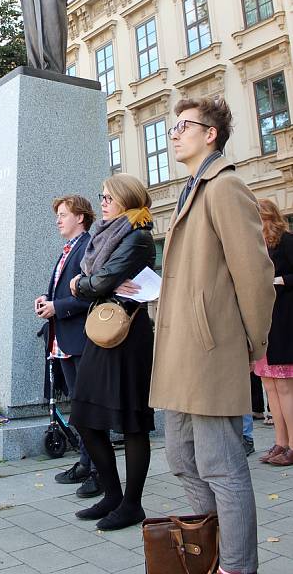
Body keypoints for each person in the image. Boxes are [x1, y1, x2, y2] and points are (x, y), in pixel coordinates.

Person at [148, 97, 275, 574]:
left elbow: (255, 275)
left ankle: (237, 566)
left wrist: (250, 345)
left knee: (222, 465)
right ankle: (210, 550)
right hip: (181, 350)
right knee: (181, 457)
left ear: (211, 134)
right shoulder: (191, 188)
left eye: (184, 126)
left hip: (209, 350)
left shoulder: (225, 187)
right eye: (173, 125)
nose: (174, 133)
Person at [67, 174, 156, 531]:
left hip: (128, 334)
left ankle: (132, 504)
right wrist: (88, 283)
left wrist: (81, 284)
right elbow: (99, 279)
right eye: (100, 195)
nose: (101, 201)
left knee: (133, 423)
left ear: (125, 199)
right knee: (86, 418)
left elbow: (99, 282)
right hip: (102, 329)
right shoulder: (105, 235)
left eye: (108, 196)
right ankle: (112, 494)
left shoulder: (137, 237)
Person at [34, 195, 100, 497]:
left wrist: (57, 307)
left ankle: (98, 469)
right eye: (57, 214)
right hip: (63, 338)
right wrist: (47, 303)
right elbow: (65, 292)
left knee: (87, 405)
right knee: (77, 403)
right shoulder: (67, 249)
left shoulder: (87, 246)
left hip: (80, 337)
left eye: (63, 214)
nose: (58, 219)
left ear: (80, 218)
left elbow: (90, 294)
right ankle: (86, 462)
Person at [255, 199, 293, 466]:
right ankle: (280, 442)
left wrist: (281, 280)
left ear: (268, 217)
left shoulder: (287, 241)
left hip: (284, 322)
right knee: (269, 386)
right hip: (262, 324)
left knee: (284, 387)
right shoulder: (254, 246)